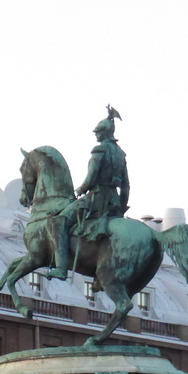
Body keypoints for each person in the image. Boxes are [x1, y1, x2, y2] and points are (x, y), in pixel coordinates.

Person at [46, 106, 129, 280]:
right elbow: (126, 186)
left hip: (95, 199)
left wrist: (77, 192)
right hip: (114, 202)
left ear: (104, 133)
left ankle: (61, 268)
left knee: (59, 221)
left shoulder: (99, 151)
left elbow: (91, 179)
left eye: (97, 132)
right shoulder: (121, 154)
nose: (96, 135)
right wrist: (120, 209)